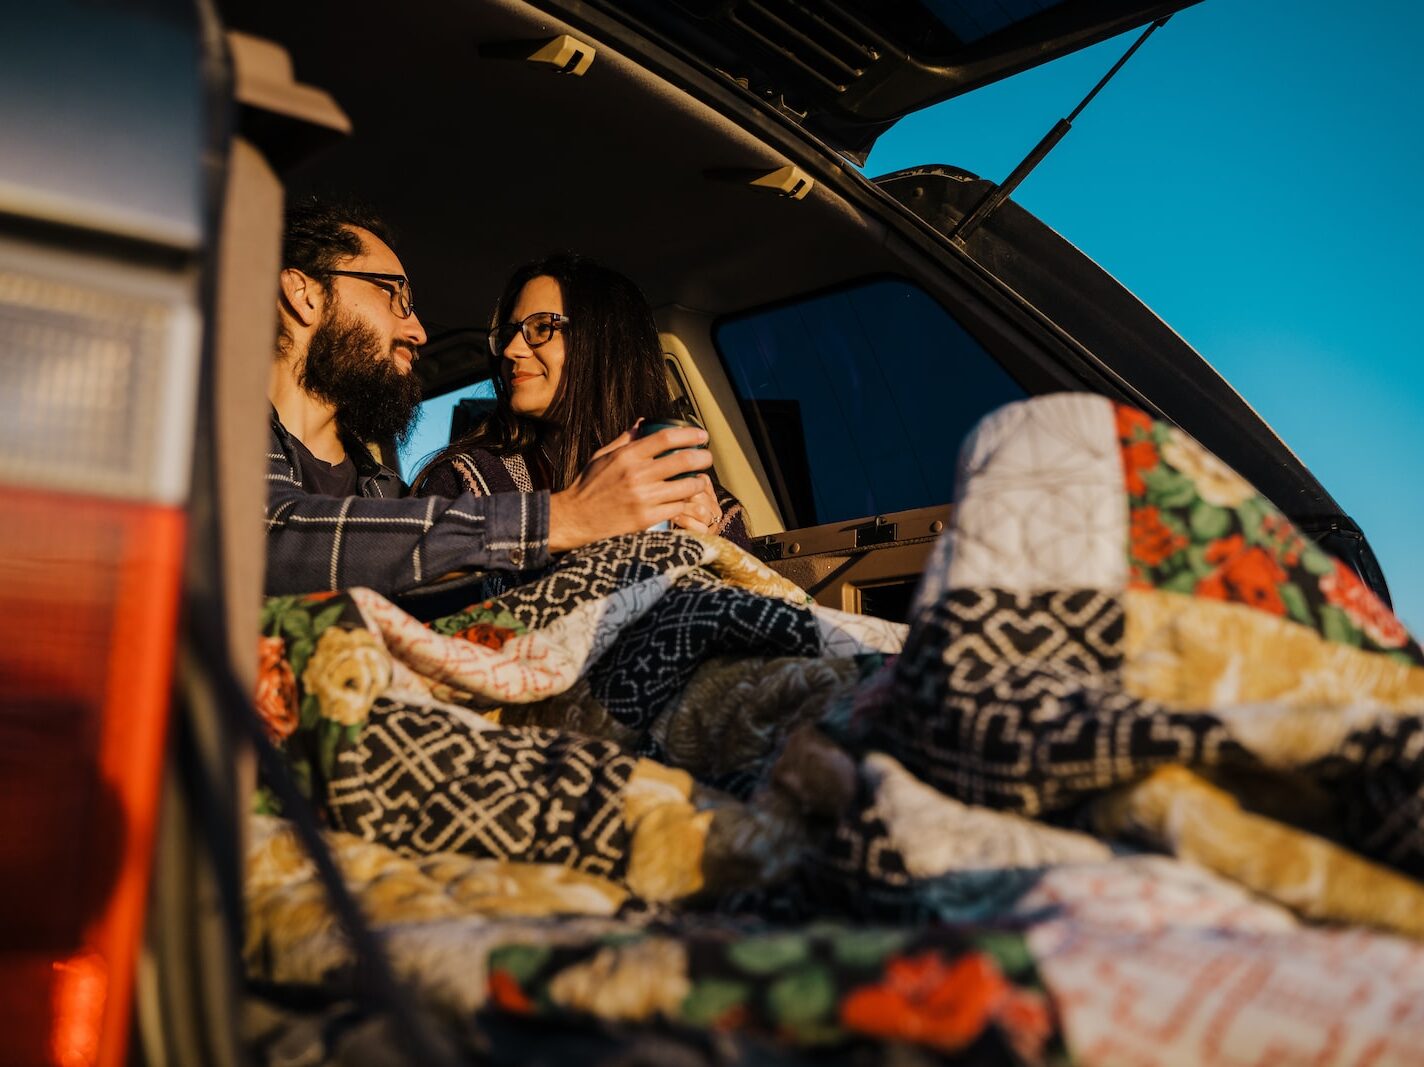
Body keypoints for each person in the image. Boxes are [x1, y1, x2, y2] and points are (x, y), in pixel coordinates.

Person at [265, 198, 714, 596]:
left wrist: (694, 546)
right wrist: (567, 517)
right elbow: (267, 538)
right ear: (304, 294)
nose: (417, 330)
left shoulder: (389, 498)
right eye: (394, 295)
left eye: (542, 329)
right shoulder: (205, 431)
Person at [411, 254, 750, 547]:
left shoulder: (701, 501)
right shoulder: (466, 483)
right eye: (509, 333)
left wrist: (710, 547)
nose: (513, 351)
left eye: (542, 328)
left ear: (606, 343)